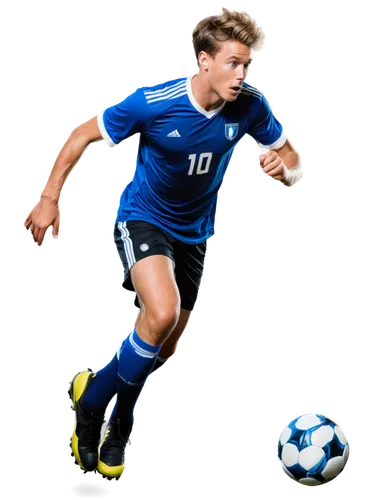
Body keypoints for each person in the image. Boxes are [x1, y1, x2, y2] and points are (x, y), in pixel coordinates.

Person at [22, 6, 304, 480]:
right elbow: (83, 135)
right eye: (233, 62)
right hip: (143, 218)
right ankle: (110, 422)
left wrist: (288, 171)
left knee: (165, 343)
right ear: (203, 61)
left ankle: (91, 388)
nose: (243, 73)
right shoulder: (153, 102)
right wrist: (51, 198)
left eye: (248, 64)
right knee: (162, 312)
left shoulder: (251, 105)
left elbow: (289, 155)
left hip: (195, 234)